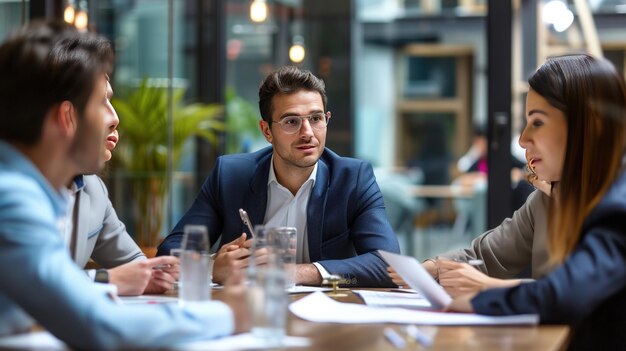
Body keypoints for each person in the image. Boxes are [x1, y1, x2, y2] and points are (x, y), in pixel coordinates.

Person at [0, 20, 249, 349]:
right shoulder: (12, 197)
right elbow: (99, 326)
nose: (115, 117)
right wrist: (227, 313)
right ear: (66, 118)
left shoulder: (38, 188)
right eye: (102, 101)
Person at [157, 66, 400, 287]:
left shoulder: (353, 178)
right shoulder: (230, 175)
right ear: (266, 131)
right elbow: (169, 254)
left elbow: (389, 265)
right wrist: (211, 268)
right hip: (245, 313)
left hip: (324, 320)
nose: (307, 133)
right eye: (291, 121)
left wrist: (294, 273)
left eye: (316, 119)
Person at [445, 54, 626, 349]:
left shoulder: (618, 206)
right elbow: (488, 254)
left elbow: (566, 294)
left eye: (538, 122)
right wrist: (431, 269)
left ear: (591, 125)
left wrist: (483, 297)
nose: (522, 140)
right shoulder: (553, 197)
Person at [67, 78, 177, 295]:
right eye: (100, 102)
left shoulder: (92, 188)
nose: (115, 118)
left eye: (110, 100)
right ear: (63, 114)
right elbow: (26, 285)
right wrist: (105, 279)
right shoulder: (15, 190)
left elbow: (138, 267)